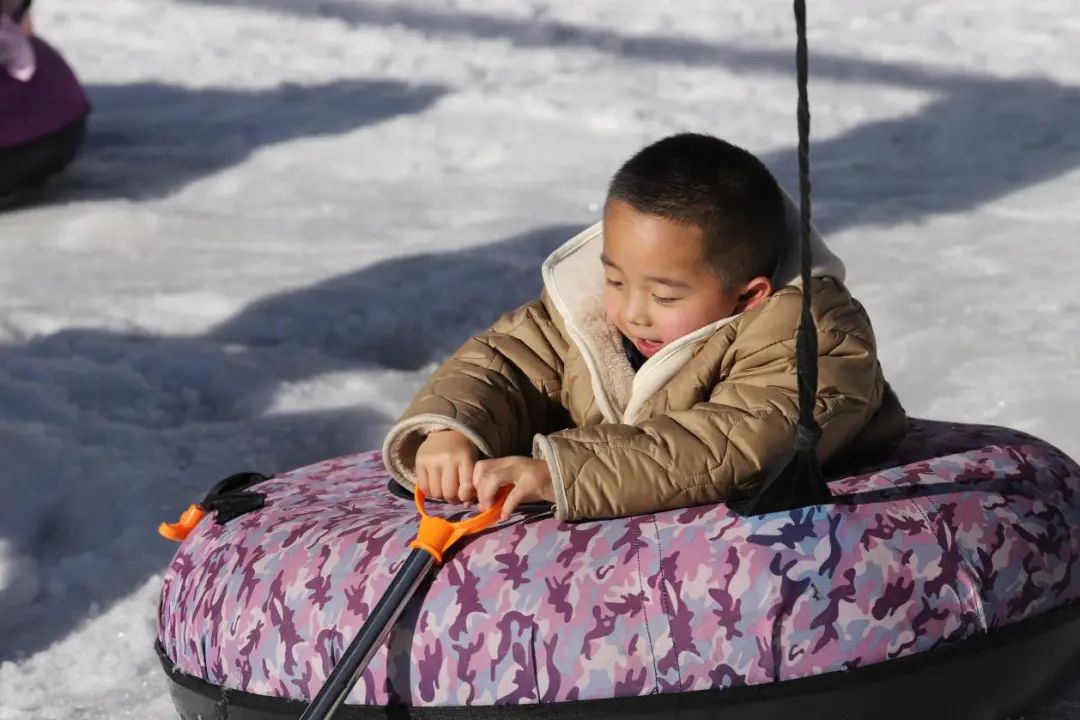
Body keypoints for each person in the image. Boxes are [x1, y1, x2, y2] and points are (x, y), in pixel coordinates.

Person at [382, 133, 906, 521]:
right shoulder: (591, 313)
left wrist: (557, 472)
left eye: (664, 295)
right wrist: (451, 429)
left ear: (748, 295)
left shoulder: (812, 336)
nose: (632, 312)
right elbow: (508, 360)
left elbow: (736, 442)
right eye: (614, 279)